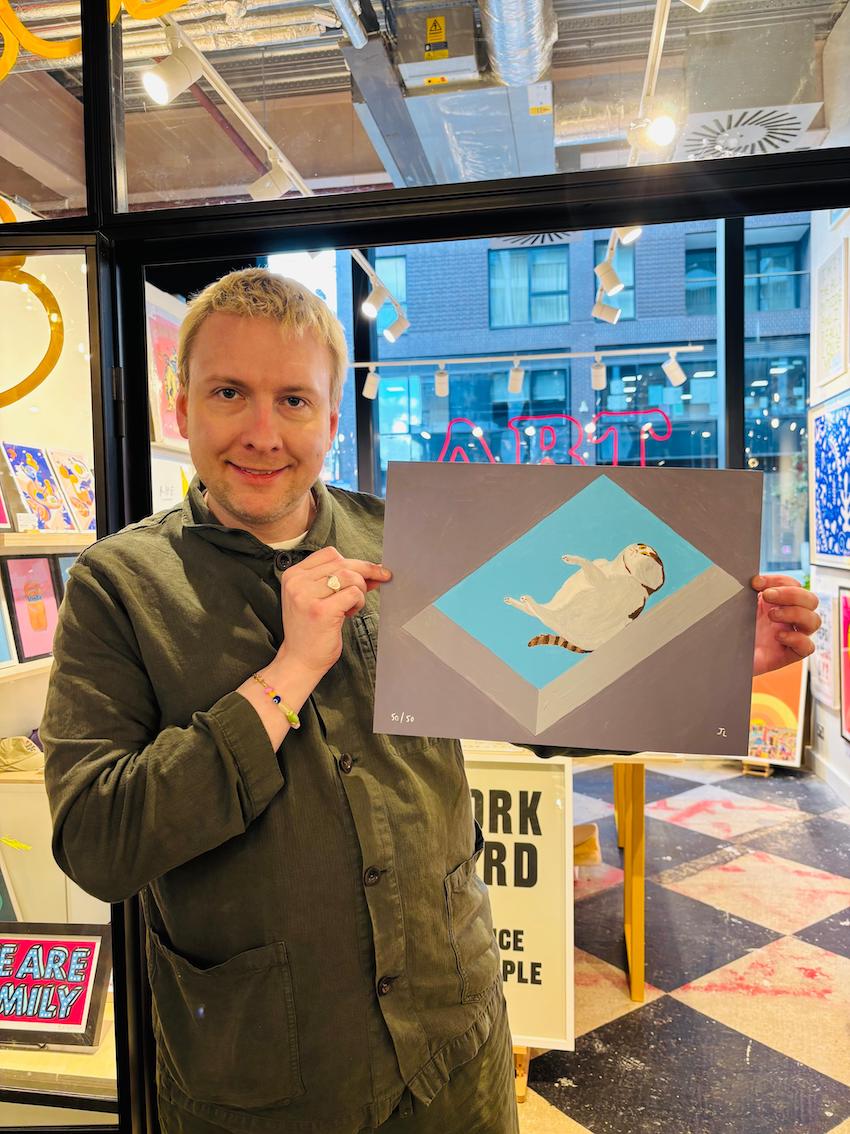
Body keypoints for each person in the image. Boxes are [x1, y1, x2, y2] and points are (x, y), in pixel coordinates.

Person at [42, 269, 820, 1134]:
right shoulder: (120, 586)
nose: (263, 432)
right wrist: (285, 675)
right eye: (230, 392)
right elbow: (97, 843)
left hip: (456, 1048)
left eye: (295, 400)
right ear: (181, 407)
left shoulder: (410, 544)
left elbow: (547, 701)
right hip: (263, 1081)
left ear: (332, 420)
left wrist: (712, 656)